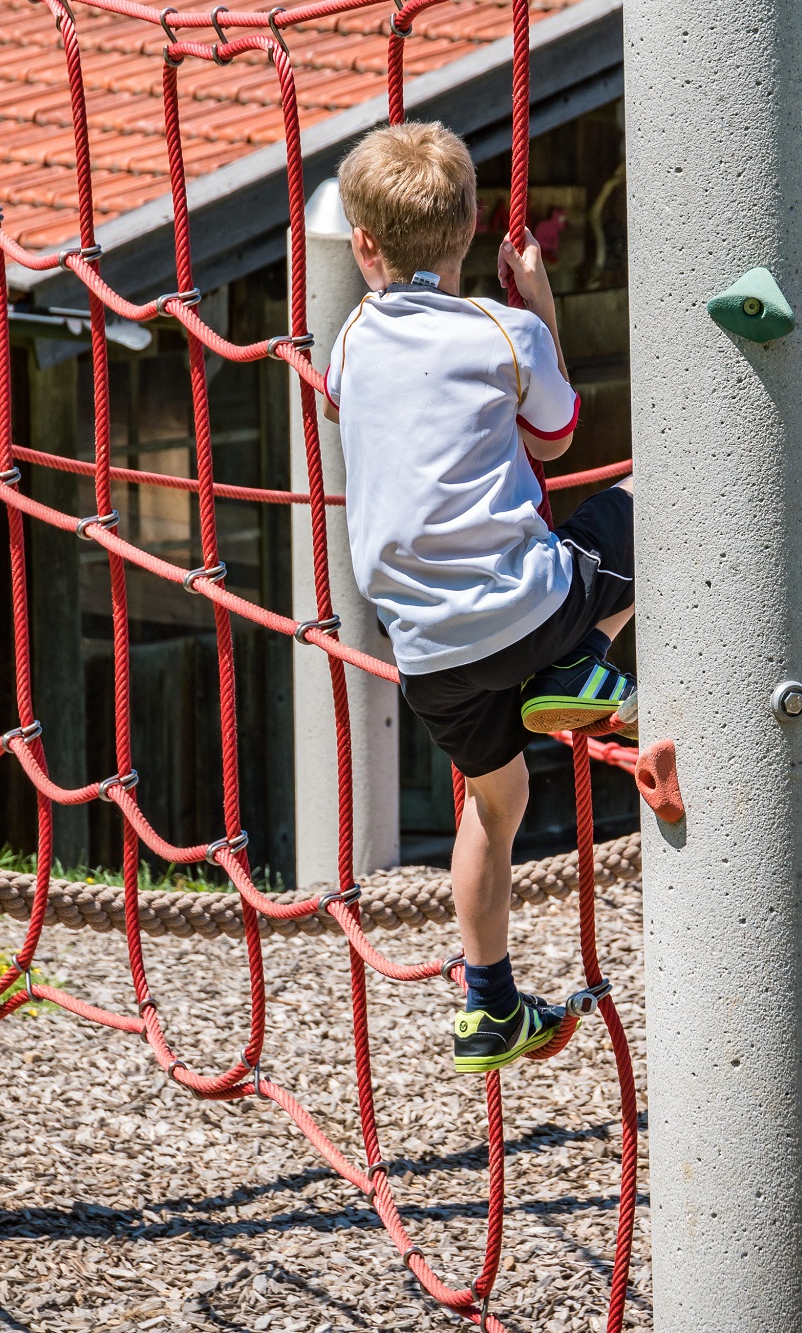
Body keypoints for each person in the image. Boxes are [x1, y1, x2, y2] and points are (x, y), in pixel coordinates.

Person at [321, 120, 638, 1074]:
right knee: (651, 501)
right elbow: (556, 439)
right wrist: (539, 300)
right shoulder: (508, 329)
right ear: (470, 230)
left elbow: (360, 407)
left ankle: (489, 999)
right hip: (526, 608)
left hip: (426, 649)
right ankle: (586, 660)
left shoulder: (346, 344)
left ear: (364, 247)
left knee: (493, 801)